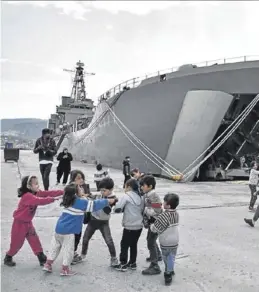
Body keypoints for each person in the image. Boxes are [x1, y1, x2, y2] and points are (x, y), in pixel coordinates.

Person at [43, 184, 115, 276]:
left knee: (55, 247)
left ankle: (48, 264)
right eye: (79, 188)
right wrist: (107, 201)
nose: (81, 188)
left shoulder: (67, 200)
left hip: (59, 229)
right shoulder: (80, 202)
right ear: (75, 193)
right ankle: (65, 269)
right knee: (68, 250)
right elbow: (94, 205)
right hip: (69, 231)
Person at [4, 175, 63, 267]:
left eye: (37, 183)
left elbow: (48, 193)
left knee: (34, 240)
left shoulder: (35, 193)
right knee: (16, 244)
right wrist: (53, 199)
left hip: (27, 223)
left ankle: (41, 257)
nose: (38, 185)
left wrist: (62, 192)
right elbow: (40, 201)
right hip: (19, 224)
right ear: (29, 186)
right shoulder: (27, 196)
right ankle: (8, 256)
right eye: (35, 184)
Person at [81, 177, 119, 267]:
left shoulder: (112, 198)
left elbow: (109, 207)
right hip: (93, 220)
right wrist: (87, 196)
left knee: (109, 240)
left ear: (111, 190)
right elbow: (93, 197)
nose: (102, 192)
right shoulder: (99, 195)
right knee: (85, 238)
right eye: (101, 190)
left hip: (103, 222)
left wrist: (108, 202)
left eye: (104, 190)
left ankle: (114, 258)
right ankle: (82, 255)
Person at [114, 178, 145, 272]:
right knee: (133, 244)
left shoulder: (126, 195)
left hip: (129, 225)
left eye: (125, 186)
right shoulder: (141, 196)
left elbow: (117, 208)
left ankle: (123, 264)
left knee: (124, 244)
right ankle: (132, 263)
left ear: (129, 187)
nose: (124, 188)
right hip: (139, 225)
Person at [150, 193, 179, 285]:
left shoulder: (164, 216)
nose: (163, 203)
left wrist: (151, 225)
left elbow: (156, 228)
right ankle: (171, 269)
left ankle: (168, 274)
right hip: (175, 240)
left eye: (165, 202)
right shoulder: (176, 214)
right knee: (172, 256)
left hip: (166, 241)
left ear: (168, 205)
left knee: (166, 257)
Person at [68, 169, 92, 265]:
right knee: (73, 236)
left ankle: (72, 252)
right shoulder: (70, 189)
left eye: (82, 178)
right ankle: (71, 254)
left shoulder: (83, 186)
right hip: (72, 217)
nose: (81, 180)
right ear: (73, 179)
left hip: (80, 217)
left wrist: (85, 196)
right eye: (78, 178)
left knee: (77, 236)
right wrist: (82, 197)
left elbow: (88, 195)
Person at [141, 175, 163, 275]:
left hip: (156, 222)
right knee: (151, 240)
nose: (142, 187)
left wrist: (146, 210)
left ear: (150, 186)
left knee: (150, 242)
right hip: (153, 222)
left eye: (143, 185)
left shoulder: (153, 195)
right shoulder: (148, 194)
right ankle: (157, 255)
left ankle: (155, 266)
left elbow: (158, 209)